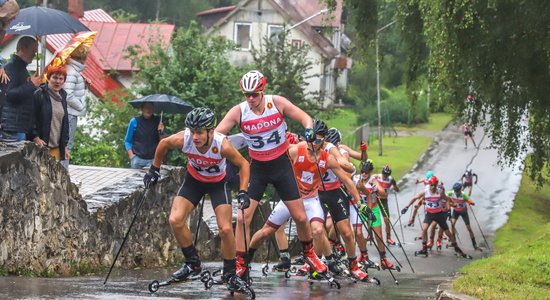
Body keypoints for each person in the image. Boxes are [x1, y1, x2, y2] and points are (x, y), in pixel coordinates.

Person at [215, 70, 327, 278]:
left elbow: (304, 117)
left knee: (301, 217)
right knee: (242, 218)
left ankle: (309, 254)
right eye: (246, 94)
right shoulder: (239, 111)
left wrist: (309, 129)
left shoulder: (276, 103)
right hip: (258, 168)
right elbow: (218, 133)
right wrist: (217, 143)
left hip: (281, 166)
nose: (250, 98)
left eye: (254, 94)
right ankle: (241, 262)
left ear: (262, 91)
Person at [142, 107, 251, 293]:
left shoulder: (221, 144)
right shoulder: (184, 139)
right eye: (192, 131)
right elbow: (163, 145)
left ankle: (230, 273)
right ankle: (192, 263)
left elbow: (243, 164)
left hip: (219, 183)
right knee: (175, 220)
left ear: (211, 131)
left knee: (225, 228)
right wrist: (154, 170)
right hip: (194, 181)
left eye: (199, 132)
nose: (195, 137)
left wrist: (243, 191)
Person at [243, 124, 370, 281]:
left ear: (323, 141)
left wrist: (359, 202)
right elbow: (275, 160)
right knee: (266, 231)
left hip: (311, 199)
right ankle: (243, 262)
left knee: (317, 230)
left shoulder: (327, 158)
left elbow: (346, 179)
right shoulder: (298, 149)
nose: (312, 142)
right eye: (310, 137)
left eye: (317, 140)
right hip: (291, 198)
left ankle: (321, 261)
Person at [402, 176, 468, 257]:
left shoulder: (439, 192)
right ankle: (424, 249)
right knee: (424, 229)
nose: (432, 187)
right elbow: (415, 198)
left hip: (439, 214)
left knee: (448, 233)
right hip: (429, 214)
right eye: (431, 185)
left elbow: (447, 199)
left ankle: (457, 249)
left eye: (434, 185)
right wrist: (406, 207)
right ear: (429, 184)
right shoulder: (425, 191)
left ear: (436, 185)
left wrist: (448, 210)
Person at [355, 160, 397, 270]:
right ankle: (363, 255)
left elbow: (383, 192)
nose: (364, 174)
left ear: (370, 172)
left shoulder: (373, 180)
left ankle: (383, 259)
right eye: (362, 171)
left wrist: (377, 189)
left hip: (373, 209)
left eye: (367, 172)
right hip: (361, 209)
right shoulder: (356, 178)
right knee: (357, 233)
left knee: (378, 235)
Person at [0, 36, 40, 141]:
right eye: (33, 51)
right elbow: (9, 95)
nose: (34, 55)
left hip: (19, 126)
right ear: (22, 49)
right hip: (12, 127)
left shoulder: (21, 68)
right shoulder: (11, 67)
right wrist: (31, 84)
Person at [30, 66, 70, 168]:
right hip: (42, 145)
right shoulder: (39, 94)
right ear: (48, 78)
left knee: (53, 180)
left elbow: (65, 122)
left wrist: (64, 146)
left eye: (61, 79)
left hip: (56, 147)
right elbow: (31, 118)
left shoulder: (63, 96)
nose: (58, 81)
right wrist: (36, 138)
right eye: (55, 78)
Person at [63, 45, 89, 154]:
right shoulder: (72, 72)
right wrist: (80, 106)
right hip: (70, 112)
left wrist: (84, 84)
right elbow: (68, 94)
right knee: (67, 145)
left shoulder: (73, 70)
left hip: (69, 112)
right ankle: (63, 170)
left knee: (66, 144)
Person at [124, 102, 166, 169]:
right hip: (137, 160)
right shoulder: (134, 121)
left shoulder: (158, 121)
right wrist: (131, 156)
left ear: (153, 109)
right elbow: (127, 141)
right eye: (146, 107)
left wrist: (161, 132)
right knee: (135, 179)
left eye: (151, 107)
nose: (149, 109)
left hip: (153, 160)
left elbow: (163, 142)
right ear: (142, 109)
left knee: (152, 179)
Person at [374, 165, 400, 245]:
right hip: (375, 199)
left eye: (387, 175)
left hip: (384, 200)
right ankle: (369, 235)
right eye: (384, 174)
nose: (385, 176)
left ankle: (388, 238)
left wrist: (394, 184)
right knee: (371, 218)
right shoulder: (377, 177)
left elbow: (397, 190)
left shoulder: (391, 179)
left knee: (386, 219)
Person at [448, 182, 478, 249]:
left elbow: (470, 200)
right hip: (456, 211)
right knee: (452, 224)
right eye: (455, 191)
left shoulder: (463, 195)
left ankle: (474, 244)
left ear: (460, 190)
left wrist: (471, 202)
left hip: (463, 211)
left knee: (468, 228)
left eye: (457, 191)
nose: (456, 193)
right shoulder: (451, 193)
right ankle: (454, 242)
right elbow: (444, 196)